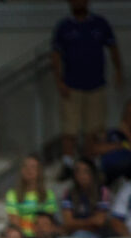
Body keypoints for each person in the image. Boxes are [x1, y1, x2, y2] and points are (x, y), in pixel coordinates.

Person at [51, 0, 122, 171]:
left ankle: (92, 161)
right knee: (70, 127)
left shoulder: (100, 23)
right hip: (72, 86)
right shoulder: (64, 26)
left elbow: (112, 48)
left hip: (96, 85)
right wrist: (59, 81)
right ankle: (68, 163)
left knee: (94, 127)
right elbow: (55, 55)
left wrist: (118, 71)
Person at [61, 157, 124, 238]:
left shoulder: (102, 192)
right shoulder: (68, 193)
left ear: (92, 173)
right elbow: (68, 223)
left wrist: (77, 224)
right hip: (76, 235)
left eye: (85, 171)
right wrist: (90, 222)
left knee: (80, 236)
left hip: (100, 236)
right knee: (77, 237)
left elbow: (100, 221)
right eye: (78, 171)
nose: (81, 175)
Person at [5, 154, 57, 237]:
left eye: (33, 167)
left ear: (39, 171)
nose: (29, 170)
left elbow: (48, 223)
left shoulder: (48, 195)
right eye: (26, 167)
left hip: (41, 237)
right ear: (21, 170)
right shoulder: (12, 194)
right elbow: (14, 222)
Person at [97, 98, 131, 184]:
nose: (128, 117)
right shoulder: (113, 132)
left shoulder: (126, 133)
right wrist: (118, 145)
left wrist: (127, 133)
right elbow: (96, 149)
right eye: (127, 113)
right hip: (108, 176)